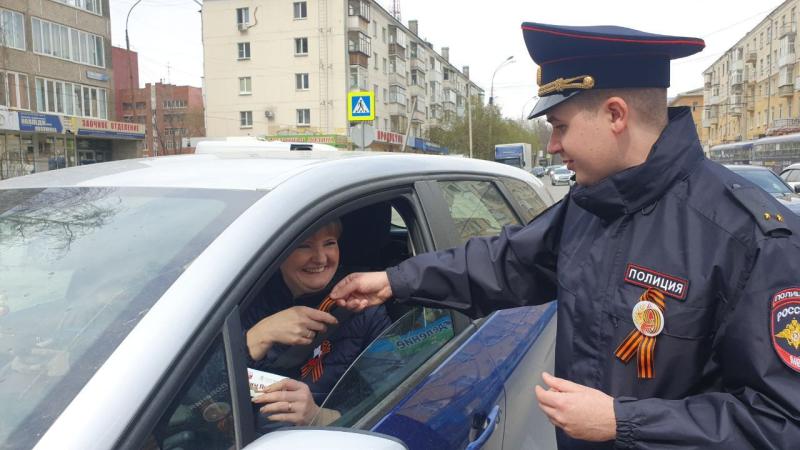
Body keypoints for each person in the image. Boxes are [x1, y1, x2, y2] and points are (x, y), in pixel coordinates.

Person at [330, 22, 800, 449]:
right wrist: (396, 281)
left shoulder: (750, 238)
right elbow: (506, 262)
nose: (553, 146)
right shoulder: (592, 205)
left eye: (560, 126)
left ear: (615, 115)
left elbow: (781, 422)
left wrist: (623, 421)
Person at [243, 219, 391, 428]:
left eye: (330, 243)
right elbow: (207, 389)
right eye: (304, 245)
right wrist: (258, 336)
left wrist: (321, 417)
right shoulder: (244, 296)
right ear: (278, 252)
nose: (321, 258)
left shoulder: (363, 308)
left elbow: (392, 393)